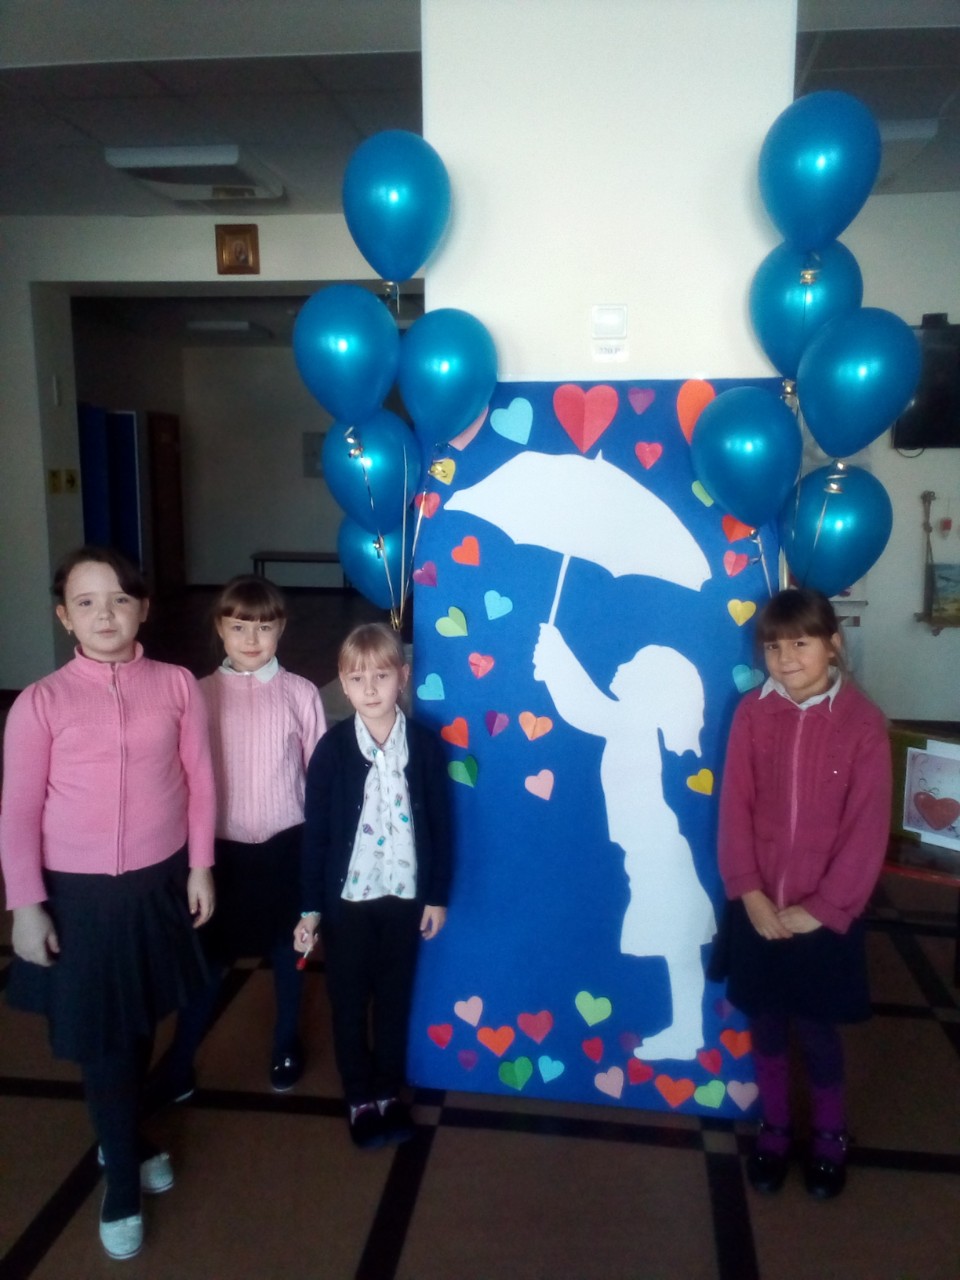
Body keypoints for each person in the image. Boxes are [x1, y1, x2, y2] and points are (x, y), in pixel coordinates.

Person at [0, 546, 216, 1261]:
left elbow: (200, 780)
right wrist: (26, 904)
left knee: (142, 1016)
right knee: (102, 1038)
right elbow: (17, 811)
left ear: (143, 608)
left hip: (157, 884)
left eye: (120, 599)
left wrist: (201, 866)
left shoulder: (178, 685)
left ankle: (122, 1137)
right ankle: (122, 1175)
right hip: (80, 896)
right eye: (86, 602)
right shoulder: (40, 703)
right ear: (65, 617)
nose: (105, 615)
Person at [712, 587, 891, 1200]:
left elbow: (867, 830)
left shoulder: (863, 725)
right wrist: (750, 894)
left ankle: (830, 1135)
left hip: (822, 916)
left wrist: (823, 909)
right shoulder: (752, 714)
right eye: (772, 646)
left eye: (800, 643)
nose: (785, 658)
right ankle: (776, 1128)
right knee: (764, 1025)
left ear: (832, 645)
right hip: (759, 911)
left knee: (816, 1031)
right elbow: (734, 808)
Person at [156, 575, 326, 1098]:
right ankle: (180, 1059)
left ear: (281, 629)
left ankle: (286, 1040)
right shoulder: (197, 694)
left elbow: (319, 778)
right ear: (219, 629)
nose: (251, 639)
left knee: (288, 952)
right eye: (238, 627)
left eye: (264, 627)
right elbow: (181, 775)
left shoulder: (300, 693)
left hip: (286, 846)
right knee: (208, 960)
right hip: (218, 853)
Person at [294, 622, 452, 1150]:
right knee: (348, 1000)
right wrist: (310, 908)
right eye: (357, 678)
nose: (369, 688)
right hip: (349, 906)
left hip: (404, 900)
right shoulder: (332, 751)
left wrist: (437, 895)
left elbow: (442, 826)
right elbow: (317, 835)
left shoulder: (424, 748)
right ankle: (359, 1096)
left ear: (402, 677)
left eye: (381, 676)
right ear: (342, 683)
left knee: (393, 999)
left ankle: (387, 1092)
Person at [533, 624, 716, 1060]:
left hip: (657, 853)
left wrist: (557, 656)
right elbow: (585, 706)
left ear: (648, 687)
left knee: (679, 945)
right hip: (654, 852)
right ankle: (687, 1030)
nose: (621, 666)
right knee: (679, 948)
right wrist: (555, 661)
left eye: (633, 665)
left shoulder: (631, 721)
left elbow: (583, 708)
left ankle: (687, 1032)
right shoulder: (633, 722)